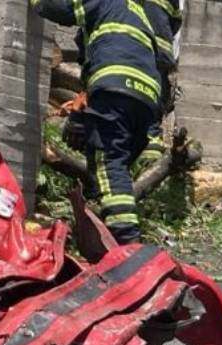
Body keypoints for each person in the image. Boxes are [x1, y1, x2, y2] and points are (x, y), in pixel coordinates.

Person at [34, 0, 162, 243]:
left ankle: (127, 242)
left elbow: (65, 10)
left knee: (109, 165)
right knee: (114, 167)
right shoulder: (139, 15)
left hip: (115, 89)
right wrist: (81, 116)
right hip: (146, 101)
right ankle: (102, 220)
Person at [139, 0, 183, 165]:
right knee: (153, 112)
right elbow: (176, 21)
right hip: (159, 59)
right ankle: (149, 165)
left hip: (134, 55)